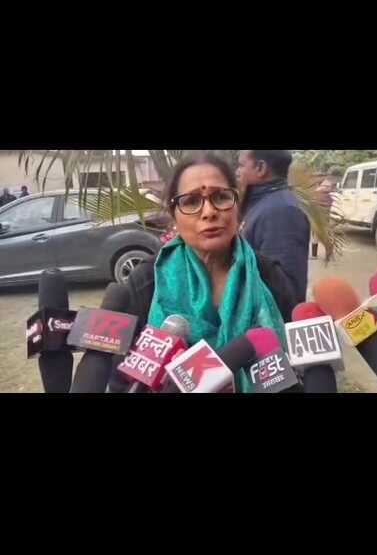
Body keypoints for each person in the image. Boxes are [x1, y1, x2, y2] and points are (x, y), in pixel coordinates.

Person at [109, 153, 298, 394]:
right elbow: (120, 380)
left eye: (220, 197)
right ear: (174, 214)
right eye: (191, 201)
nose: (209, 212)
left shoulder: (269, 277)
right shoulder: (147, 281)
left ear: (237, 206)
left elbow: (295, 373)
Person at [237, 150, 311, 303]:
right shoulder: (261, 204)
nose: (238, 172)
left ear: (260, 168)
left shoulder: (282, 212)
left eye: (241, 165)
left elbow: (285, 290)